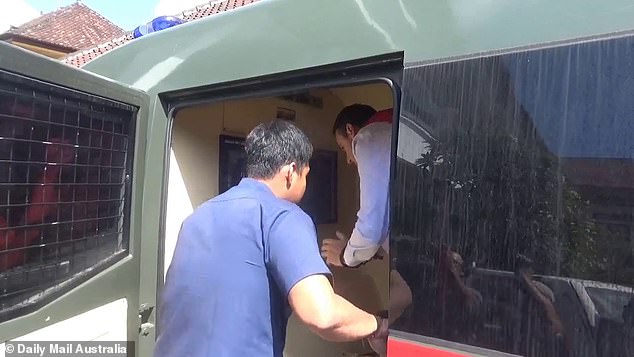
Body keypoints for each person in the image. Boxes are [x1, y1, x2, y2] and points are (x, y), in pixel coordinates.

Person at [153, 120, 388, 357]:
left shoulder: (198, 216)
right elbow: (323, 314)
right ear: (290, 172)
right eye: (306, 175)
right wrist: (377, 325)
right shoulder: (283, 216)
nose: (306, 184)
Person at [320, 104, 413, 355]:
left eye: (343, 148)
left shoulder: (369, 137)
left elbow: (371, 224)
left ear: (351, 131)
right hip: (419, 242)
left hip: (415, 249)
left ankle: (378, 327)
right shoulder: (395, 132)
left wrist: (346, 256)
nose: (349, 160)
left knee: (401, 291)